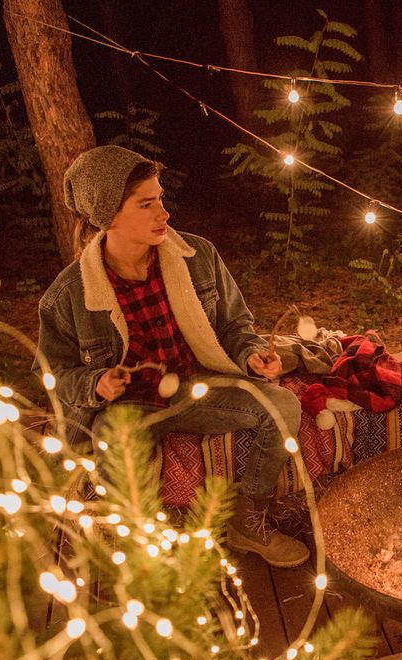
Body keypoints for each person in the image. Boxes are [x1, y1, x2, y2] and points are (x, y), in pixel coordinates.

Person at [34, 145, 308, 568]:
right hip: (127, 408)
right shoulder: (68, 296)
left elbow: (236, 326)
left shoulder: (197, 258)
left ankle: (247, 522)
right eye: (147, 204)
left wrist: (253, 356)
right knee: (113, 444)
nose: (164, 214)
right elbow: (54, 374)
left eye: (160, 199)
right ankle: (141, 553)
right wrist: (96, 384)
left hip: (195, 387)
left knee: (283, 405)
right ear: (109, 216)